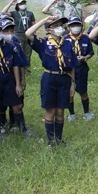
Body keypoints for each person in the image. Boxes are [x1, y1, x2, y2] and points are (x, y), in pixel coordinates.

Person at [26, 15, 78, 146]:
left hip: (64, 79)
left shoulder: (67, 43)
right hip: (49, 78)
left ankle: (59, 139)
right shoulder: (43, 43)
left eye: (61, 25)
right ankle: (51, 141)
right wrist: (43, 21)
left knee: (60, 111)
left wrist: (73, 83)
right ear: (49, 30)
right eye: (56, 26)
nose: (60, 28)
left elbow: (71, 66)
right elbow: (28, 33)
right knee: (50, 111)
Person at [64, 16, 94, 121]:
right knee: (69, 92)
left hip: (81, 68)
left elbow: (91, 52)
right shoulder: (65, 39)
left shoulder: (85, 38)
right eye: (73, 25)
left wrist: (85, 58)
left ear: (81, 26)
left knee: (83, 91)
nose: (75, 27)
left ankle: (86, 112)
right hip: (69, 69)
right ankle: (71, 114)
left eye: (77, 25)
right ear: (68, 27)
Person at [2, 0, 36, 70]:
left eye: (24, 3)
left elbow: (33, 24)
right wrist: (11, 3)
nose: (22, 5)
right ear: (17, 5)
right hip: (18, 35)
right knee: (19, 52)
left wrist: (34, 34)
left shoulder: (30, 13)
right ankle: (20, 68)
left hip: (28, 35)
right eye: (20, 4)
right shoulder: (14, 13)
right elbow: (3, 12)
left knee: (28, 53)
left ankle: (27, 69)